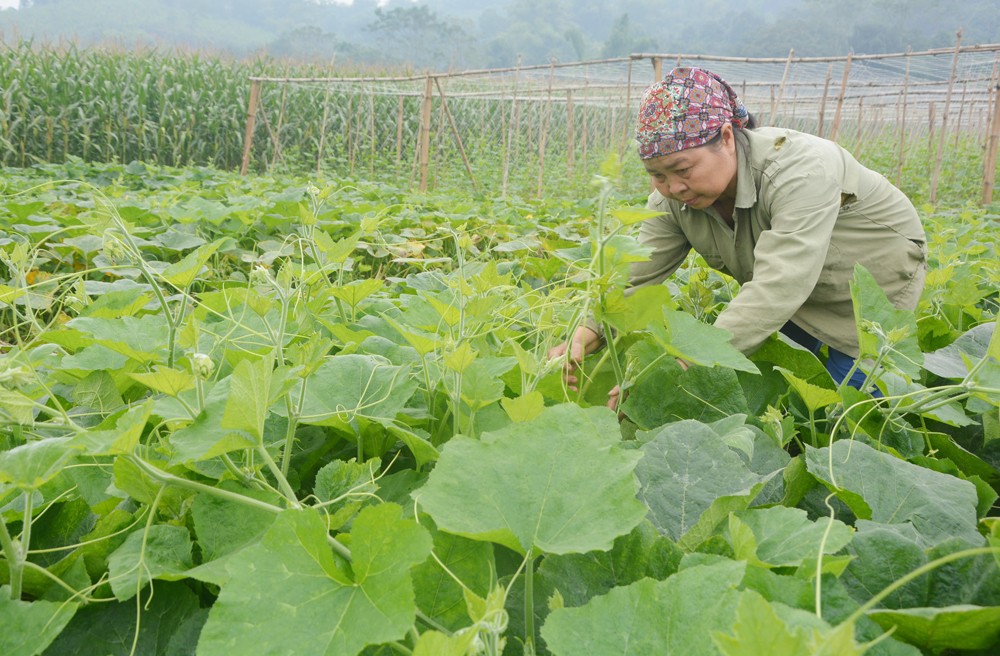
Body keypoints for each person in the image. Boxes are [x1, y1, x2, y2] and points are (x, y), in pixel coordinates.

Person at [549, 67, 927, 407]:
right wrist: (585, 333)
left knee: (846, 410)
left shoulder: (801, 169)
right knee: (783, 391)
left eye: (682, 169)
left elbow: (780, 285)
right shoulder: (671, 202)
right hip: (792, 295)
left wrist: (679, 365)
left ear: (727, 137)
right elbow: (636, 277)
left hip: (866, 286)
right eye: (657, 175)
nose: (674, 187)